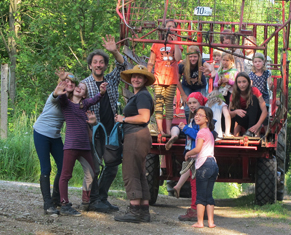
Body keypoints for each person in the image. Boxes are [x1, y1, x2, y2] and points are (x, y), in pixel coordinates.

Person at [81, 34, 127, 213]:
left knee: (113, 165)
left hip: (112, 130)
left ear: (105, 65)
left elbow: (122, 65)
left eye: (101, 62)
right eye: (95, 62)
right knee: (95, 165)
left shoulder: (111, 80)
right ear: (90, 65)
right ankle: (92, 200)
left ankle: (102, 197)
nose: (98, 65)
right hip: (95, 131)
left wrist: (114, 51)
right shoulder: (85, 84)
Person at [55, 81, 108, 216]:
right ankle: (64, 203)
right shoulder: (66, 103)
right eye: (78, 86)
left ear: (84, 95)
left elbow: (95, 99)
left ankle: (85, 202)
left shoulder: (84, 105)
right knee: (65, 175)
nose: (79, 88)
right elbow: (60, 96)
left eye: (82, 89)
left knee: (91, 173)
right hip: (71, 145)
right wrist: (62, 85)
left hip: (84, 146)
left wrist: (102, 92)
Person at [113, 65, 155, 223]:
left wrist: (123, 119)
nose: (136, 79)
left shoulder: (143, 95)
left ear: (145, 80)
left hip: (136, 135)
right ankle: (143, 211)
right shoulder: (139, 95)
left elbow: (144, 117)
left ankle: (134, 211)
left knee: (130, 172)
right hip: (139, 136)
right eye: (133, 77)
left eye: (139, 77)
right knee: (139, 172)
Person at [32, 71, 78, 215]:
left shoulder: (71, 102)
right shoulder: (55, 96)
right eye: (67, 81)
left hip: (55, 136)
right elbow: (55, 94)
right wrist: (58, 89)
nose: (69, 84)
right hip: (41, 133)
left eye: (72, 82)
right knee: (46, 168)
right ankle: (47, 204)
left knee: (63, 166)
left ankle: (56, 198)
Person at [164, 92, 206, 221]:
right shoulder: (194, 116)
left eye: (195, 102)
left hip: (198, 154)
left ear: (201, 103)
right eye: (190, 103)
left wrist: (186, 129)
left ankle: (195, 210)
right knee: (196, 182)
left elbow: (200, 134)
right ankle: (198, 209)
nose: (192, 105)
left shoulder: (201, 115)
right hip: (195, 152)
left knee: (195, 182)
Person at [147, 20, 182, 136]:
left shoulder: (177, 43)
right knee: (159, 103)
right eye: (168, 26)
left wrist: (175, 42)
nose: (170, 28)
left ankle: (167, 130)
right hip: (159, 78)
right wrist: (148, 77)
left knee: (169, 105)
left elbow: (177, 58)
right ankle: (160, 129)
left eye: (173, 27)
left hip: (171, 79)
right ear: (164, 29)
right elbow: (151, 62)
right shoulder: (157, 44)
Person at [185, 106, 218, 228]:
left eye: (201, 115)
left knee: (200, 195)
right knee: (209, 195)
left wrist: (188, 153)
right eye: (196, 114)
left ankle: (200, 222)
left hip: (204, 165)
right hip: (213, 164)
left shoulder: (201, 132)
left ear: (207, 119)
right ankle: (210, 222)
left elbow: (198, 149)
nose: (197, 117)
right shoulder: (209, 132)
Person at [177, 45, 211, 120]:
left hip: (200, 86)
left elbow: (208, 65)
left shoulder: (201, 62)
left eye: (195, 56)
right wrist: (183, 95)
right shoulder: (182, 65)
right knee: (187, 107)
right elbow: (177, 80)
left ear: (198, 56)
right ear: (187, 57)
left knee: (201, 106)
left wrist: (209, 69)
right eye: (191, 56)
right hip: (187, 86)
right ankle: (189, 125)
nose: (193, 59)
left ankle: (200, 125)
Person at [229, 72, 268, 137]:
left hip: (256, 117)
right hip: (245, 118)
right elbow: (229, 113)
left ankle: (251, 131)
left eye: (244, 82)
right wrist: (235, 112)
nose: (242, 85)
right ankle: (229, 132)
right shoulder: (234, 94)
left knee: (254, 98)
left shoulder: (254, 90)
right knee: (233, 109)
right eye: (239, 82)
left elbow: (264, 111)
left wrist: (257, 125)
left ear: (248, 82)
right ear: (236, 84)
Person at [249, 52, 272, 129]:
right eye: (255, 62)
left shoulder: (266, 73)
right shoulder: (251, 74)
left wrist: (270, 84)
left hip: (264, 96)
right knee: (257, 115)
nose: (257, 63)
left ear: (263, 62)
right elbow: (250, 85)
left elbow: (269, 82)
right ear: (253, 63)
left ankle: (266, 134)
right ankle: (257, 134)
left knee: (265, 118)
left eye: (259, 61)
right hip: (255, 97)